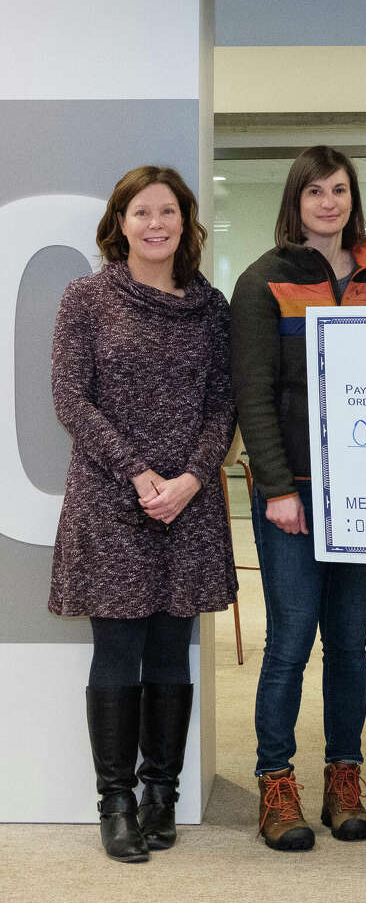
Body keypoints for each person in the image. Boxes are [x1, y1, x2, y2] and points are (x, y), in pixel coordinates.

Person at [50, 165, 237, 862]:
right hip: (111, 499)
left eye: (169, 213)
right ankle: (116, 804)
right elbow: (72, 399)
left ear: (187, 223)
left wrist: (190, 477)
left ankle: (163, 795)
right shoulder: (87, 298)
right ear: (120, 224)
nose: (156, 225)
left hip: (186, 504)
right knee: (118, 651)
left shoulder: (210, 307)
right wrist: (138, 472)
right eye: (141, 213)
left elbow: (225, 403)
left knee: (169, 650)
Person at [231, 146, 366, 851]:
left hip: (363, 496)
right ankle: (276, 785)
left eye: (339, 190)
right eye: (315, 192)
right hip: (292, 498)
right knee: (291, 641)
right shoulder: (262, 280)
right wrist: (274, 489)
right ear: (294, 201)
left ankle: (344, 781)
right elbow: (253, 394)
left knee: (351, 645)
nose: (328, 203)